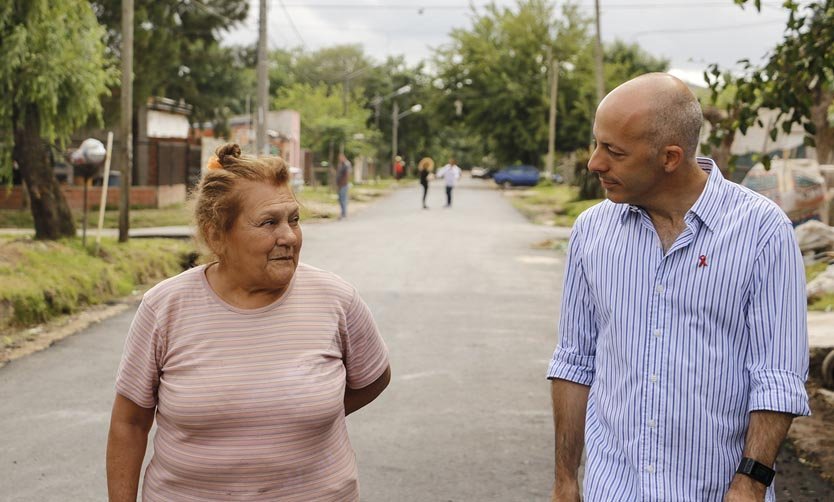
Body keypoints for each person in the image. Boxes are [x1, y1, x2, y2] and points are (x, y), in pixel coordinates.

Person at [547, 73, 809, 502]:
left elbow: (777, 376)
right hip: (614, 489)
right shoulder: (591, 231)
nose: (595, 163)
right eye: (597, 144)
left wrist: (750, 484)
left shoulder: (761, 231)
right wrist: (565, 479)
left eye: (614, 151)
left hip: (715, 490)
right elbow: (574, 363)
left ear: (670, 157)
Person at [106, 143, 391, 501]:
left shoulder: (336, 299)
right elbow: (129, 423)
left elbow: (374, 377)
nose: (288, 236)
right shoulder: (165, 307)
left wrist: (300, 413)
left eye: (293, 219)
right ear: (216, 235)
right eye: (269, 222)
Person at [337, 152, 352, 219]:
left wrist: (343, 183)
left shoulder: (346, 164)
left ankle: (344, 214)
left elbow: (347, 175)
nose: (339, 159)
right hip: (341, 185)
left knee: (343, 199)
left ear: (343, 157)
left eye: (340, 158)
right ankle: (343, 213)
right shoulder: (342, 164)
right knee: (341, 199)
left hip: (344, 185)